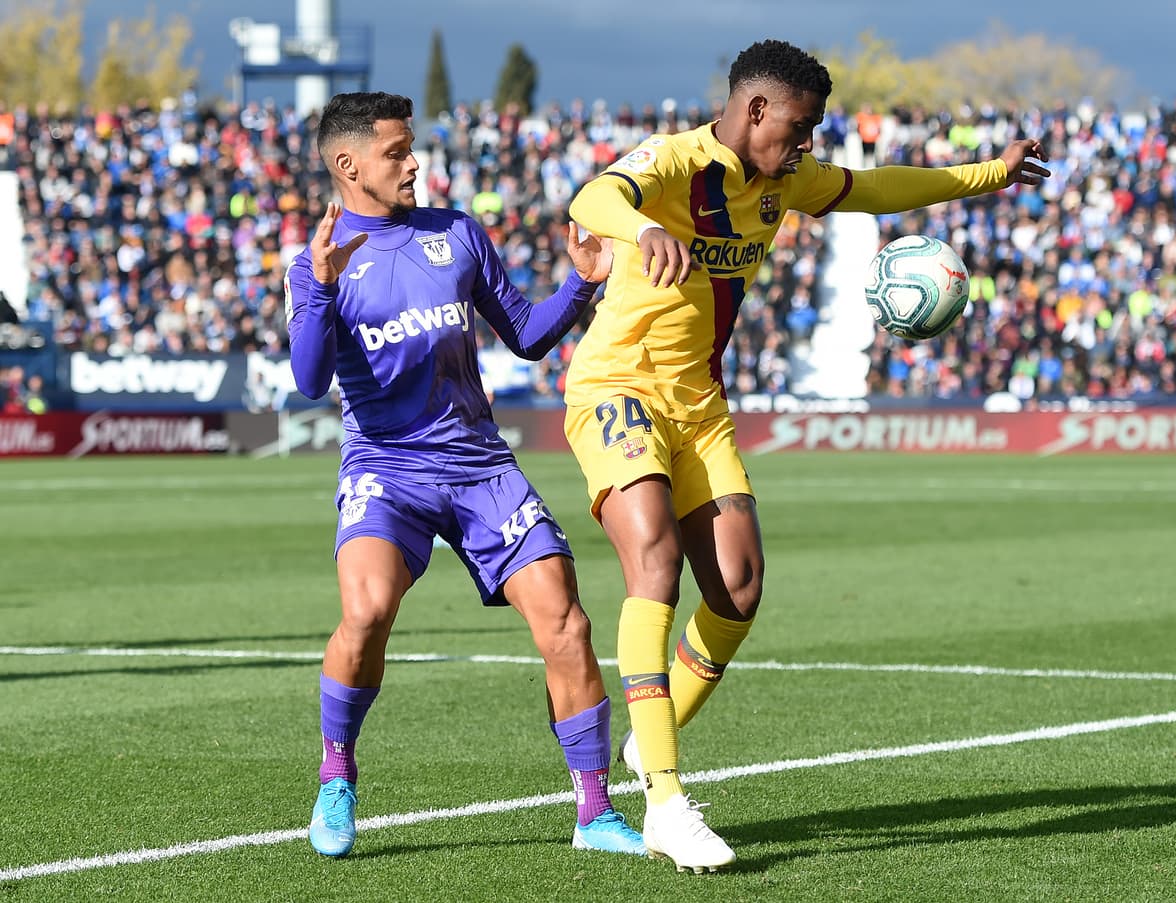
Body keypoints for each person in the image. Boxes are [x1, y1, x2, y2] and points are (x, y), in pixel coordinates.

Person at [564, 39, 1049, 872]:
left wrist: (988, 174)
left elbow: (878, 188)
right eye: (798, 126)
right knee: (654, 565)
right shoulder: (677, 161)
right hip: (618, 387)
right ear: (754, 110)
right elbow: (595, 194)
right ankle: (667, 802)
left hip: (700, 405)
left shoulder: (786, 183)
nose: (806, 144)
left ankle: (653, 740)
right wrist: (644, 224)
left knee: (740, 588)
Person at [286, 91, 644, 859]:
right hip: (387, 464)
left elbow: (524, 335)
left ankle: (594, 813)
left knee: (567, 622)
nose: (414, 161)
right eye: (396, 152)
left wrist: (581, 286)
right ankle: (337, 774)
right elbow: (311, 380)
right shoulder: (318, 261)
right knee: (368, 609)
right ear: (349, 165)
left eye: (412, 147)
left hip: (480, 464)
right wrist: (317, 288)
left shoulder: (457, 233)